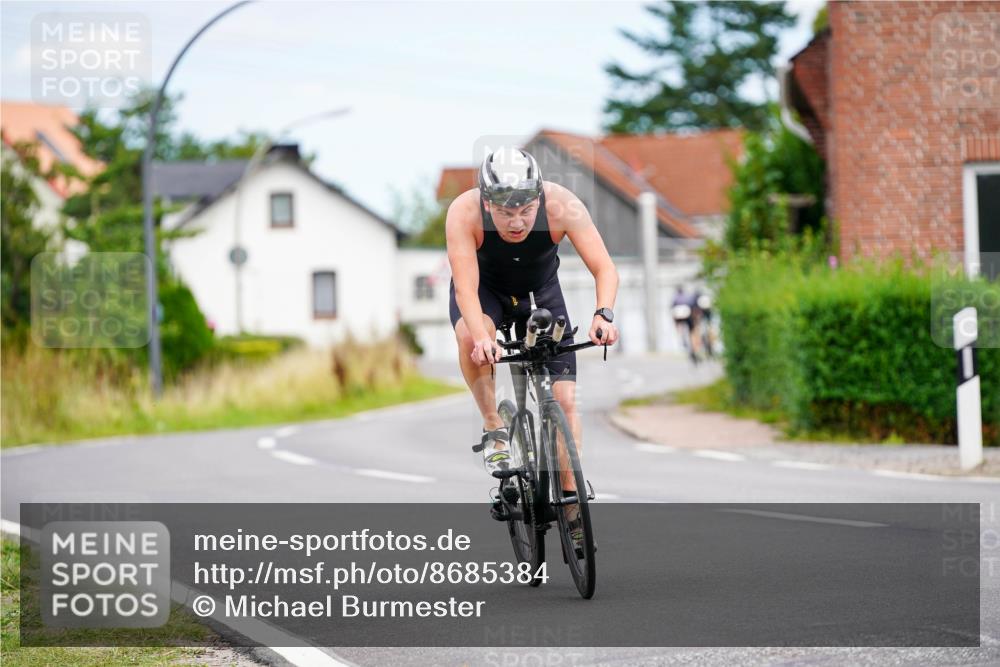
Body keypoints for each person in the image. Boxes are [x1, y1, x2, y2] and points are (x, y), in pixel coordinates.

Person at [445, 147, 619, 506]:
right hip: (485, 292)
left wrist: (603, 314)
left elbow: (605, 267)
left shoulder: (562, 205)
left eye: (526, 210)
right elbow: (465, 288)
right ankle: (494, 425)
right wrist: (482, 338)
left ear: (539, 197)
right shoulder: (463, 211)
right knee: (469, 337)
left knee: (566, 401)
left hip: (539, 294)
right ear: (487, 202)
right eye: (505, 212)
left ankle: (571, 501)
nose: (517, 222)